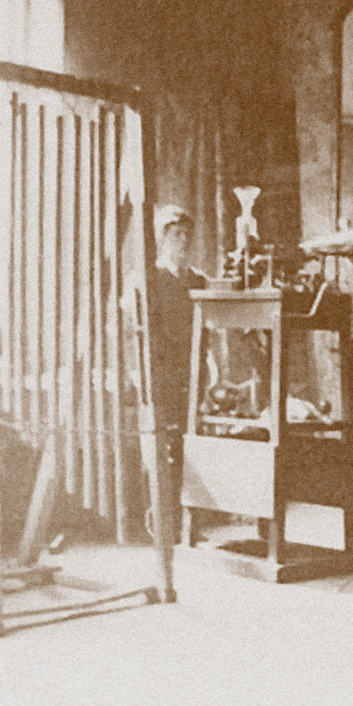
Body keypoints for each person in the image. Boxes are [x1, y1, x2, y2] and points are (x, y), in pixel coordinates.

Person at [147, 204, 206, 541]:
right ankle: (160, 519)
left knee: (191, 446)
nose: (183, 241)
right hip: (162, 375)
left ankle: (189, 526)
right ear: (162, 239)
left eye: (187, 235)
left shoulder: (197, 280)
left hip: (192, 374)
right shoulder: (150, 279)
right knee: (164, 448)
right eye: (176, 235)